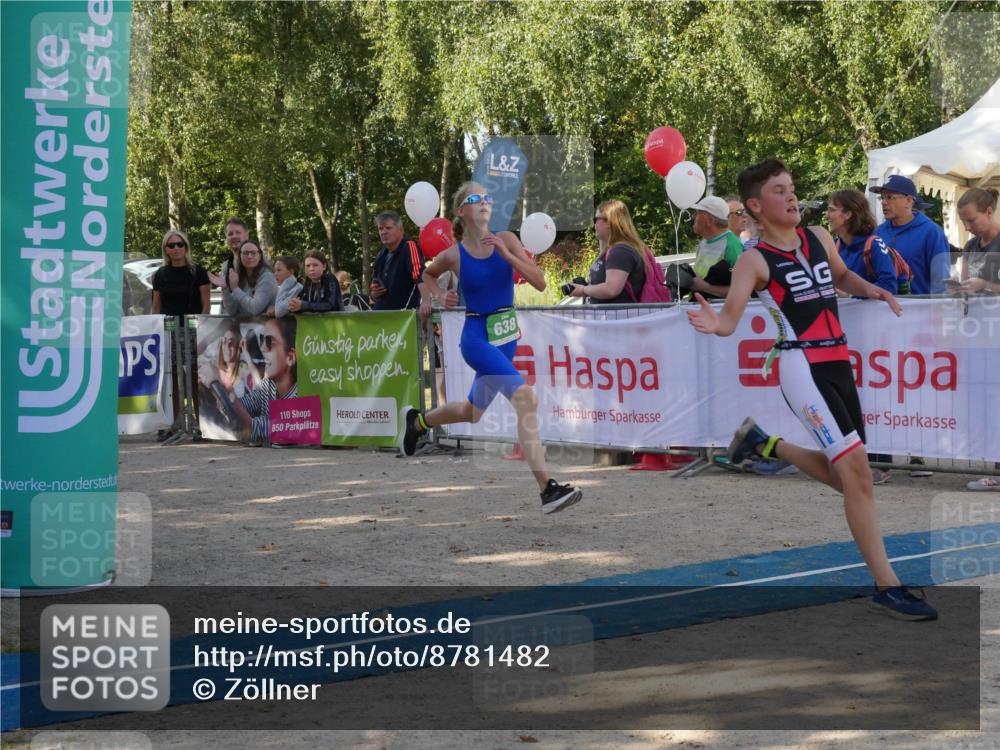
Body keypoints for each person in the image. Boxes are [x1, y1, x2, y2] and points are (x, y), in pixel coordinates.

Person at [687, 158, 937, 621]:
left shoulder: (819, 237)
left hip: (838, 360)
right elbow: (729, 319)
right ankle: (887, 585)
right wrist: (713, 323)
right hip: (801, 365)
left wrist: (872, 289)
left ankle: (766, 445)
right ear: (756, 206)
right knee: (858, 475)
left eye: (792, 188)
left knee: (855, 479)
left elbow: (840, 276)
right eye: (779, 191)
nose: (792, 196)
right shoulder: (753, 259)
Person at [400, 181, 582, 514]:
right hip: (477, 337)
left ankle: (418, 423)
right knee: (526, 398)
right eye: (475, 198)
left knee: (472, 413)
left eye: (487, 198)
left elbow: (540, 282)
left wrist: (508, 255)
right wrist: (440, 296)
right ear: (461, 211)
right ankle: (547, 489)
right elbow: (427, 275)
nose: (484, 202)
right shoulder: (454, 254)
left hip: (507, 337)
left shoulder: (507, 239)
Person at [826, 189, 898, 484]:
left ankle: (880, 462)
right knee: (852, 396)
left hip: (875, 337)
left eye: (833, 209)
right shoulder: (834, 246)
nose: (828, 214)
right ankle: (856, 460)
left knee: (876, 396)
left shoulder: (873, 243)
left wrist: (851, 295)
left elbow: (889, 285)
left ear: (848, 214)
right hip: (848, 337)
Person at [151, 229, 211, 441]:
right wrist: (153, 331)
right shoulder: (160, 275)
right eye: (171, 245)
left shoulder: (198, 271)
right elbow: (156, 306)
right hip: (169, 330)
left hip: (194, 329)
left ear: (186, 247)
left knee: (195, 375)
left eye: (180, 244)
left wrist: (202, 330)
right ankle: (174, 422)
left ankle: (201, 423)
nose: (176, 248)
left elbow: (206, 305)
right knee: (172, 376)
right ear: (166, 250)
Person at [205, 317, 297, 445]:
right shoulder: (268, 385)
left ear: (290, 357)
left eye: (269, 342)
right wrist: (223, 399)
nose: (262, 348)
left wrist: (226, 390)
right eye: (262, 340)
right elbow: (245, 405)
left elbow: (254, 429)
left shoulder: (299, 397)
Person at [871, 175, 950, 295]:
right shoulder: (878, 232)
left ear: (908, 200)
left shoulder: (932, 232)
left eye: (890, 197)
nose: (884, 202)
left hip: (918, 306)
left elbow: (941, 281)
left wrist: (938, 305)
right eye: (882, 197)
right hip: (882, 305)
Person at [569, 199, 647, 304]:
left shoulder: (621, 251)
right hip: (607, 314)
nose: (594, 224)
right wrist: (586, 287)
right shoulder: (615, 249)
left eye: (596, 219)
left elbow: (611, 289)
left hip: (616, 314)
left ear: (610, 222)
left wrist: (583, 290)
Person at [687, 195, 744, 300]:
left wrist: (704, 287)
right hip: (698, 307)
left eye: (698, 213)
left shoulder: (732, 245)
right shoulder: (703, 243)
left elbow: (742, 291)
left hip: (719, 310)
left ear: (709, 220)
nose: (694, 217)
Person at [371, 211, 425, 312]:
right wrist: (374, 294)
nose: (383, 232)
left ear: (401, 230)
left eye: (388, 228)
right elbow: (373, 293)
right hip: (381, 315)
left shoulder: (409, 246)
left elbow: (420, 275)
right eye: (380, 229)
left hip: (404, 316)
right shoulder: (381, 254)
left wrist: (426, 302)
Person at [955, 187, 1000, 293]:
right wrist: (957, 288)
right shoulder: (970, 246)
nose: (967, 227)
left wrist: (985, 285)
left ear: (989, 212)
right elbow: (965, 288)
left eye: (971, 220)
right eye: (963, 221)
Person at [222, 239, 277, 317]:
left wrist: (235, 288)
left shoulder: (267, 277)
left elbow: (255, 309)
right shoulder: (240, 276)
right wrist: (225, 288)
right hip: (244, 324)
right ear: (240, 256)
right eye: (245, 253)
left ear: (260, 256)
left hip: (266, 324)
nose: (249, 256)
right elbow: (232, 311)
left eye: (253, 253)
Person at [207, 217, 250, 289]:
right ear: (226, 238)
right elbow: (227, 295)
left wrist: (233, 287)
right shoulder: (226, 266)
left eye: (238, 233)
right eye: (230, 234)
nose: (234, 236)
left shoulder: (258, 261)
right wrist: (226, 286)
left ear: (247, 235)